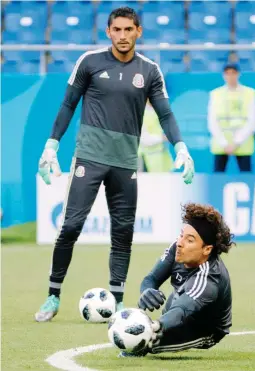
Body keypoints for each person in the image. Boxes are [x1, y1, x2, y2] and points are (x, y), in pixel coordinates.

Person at [35, 7, 194, 322]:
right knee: (70, 227)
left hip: (125, 162)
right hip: (89, 156)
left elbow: (165, 113)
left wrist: (181, 146)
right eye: (117, 30)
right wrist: (51, 144)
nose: (122, 36)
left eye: (128, 30)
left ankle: (118, 302)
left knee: (123, 232)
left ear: (138, 32)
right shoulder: (90, 62)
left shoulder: (149, 70)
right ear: (108, 32)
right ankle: (53, 296)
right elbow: (68, 104)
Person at [120, 202, 234, 356]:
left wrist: (155, 327)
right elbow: (151, 278)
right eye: (181, 235)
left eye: (190, 240)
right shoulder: (177, 247)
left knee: (144, 343)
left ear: (207, 249)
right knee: (172, 306)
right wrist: (146, 290)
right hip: (179, 302)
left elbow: (183, 310)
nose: (180, 243)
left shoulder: (209, 277)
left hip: (205, 328)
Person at [208, 63, 255, 172]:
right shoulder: (215, 94)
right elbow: (212, 121)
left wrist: (237, 141)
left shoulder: (250, 93)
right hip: (221, 144)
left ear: (238, 74)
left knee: (246, 175)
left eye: (233, 73)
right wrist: (224, 142)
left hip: (243, 143)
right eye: (227, 73)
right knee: (218, 176)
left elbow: (252, 121)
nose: (230, 76)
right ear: (223, 75)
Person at [139, 100, 174, 172]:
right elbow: (145, 140)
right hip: (148, 161)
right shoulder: (141, 113)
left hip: (161, 160)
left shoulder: (156, 112)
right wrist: (163, 138)